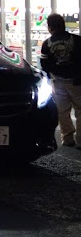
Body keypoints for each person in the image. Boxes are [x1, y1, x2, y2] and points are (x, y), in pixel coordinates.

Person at [40, 13, 81, 147]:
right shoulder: (76, 40)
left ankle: (68, 138)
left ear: (50, 27)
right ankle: (80, 140)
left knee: (62, 111)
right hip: (76, 81)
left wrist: (51, 74)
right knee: (80, 110)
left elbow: (44, 64)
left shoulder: (47, 43)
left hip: (58, 81)